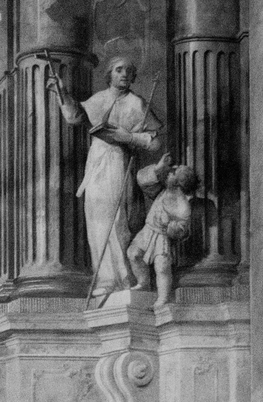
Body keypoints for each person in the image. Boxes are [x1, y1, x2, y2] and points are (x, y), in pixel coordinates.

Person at [52, 56, 161, 296]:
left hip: (119, 162)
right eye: (119, 70)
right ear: (109, 74)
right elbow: (74, 117)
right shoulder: (98, 99)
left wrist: (130, 138)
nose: (124, 74)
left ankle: (125, 278)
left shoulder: (137, 103)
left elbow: (155, 142)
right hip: (97, 163)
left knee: (117, 219)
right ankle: (105, 279)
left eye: (128, 71)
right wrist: (62, 92)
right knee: (96, 220)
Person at [127, 156, 199, 306]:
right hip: (147, 231)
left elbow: (182, 228)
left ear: (179, 182)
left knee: (162, 266)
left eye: (173, 174)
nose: (169, 174)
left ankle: (163, 298)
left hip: (161, 235)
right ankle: (143, 282)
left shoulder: (182, 204)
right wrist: (158, 168)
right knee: (133, 254)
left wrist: (171, 227)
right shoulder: (161, 191)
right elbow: (143, 181)